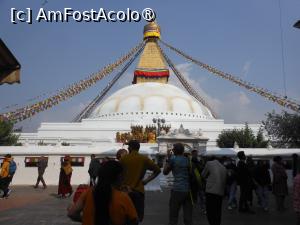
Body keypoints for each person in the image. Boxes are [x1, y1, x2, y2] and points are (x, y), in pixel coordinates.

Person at [68, 160, 138, 225]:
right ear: (119, 177)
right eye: (123, 176)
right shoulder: (123, 197)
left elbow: (72, 213)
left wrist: (85, 219)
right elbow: (134, 221)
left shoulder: (88, 192)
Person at [120, 140, 161, 222]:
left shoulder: (123, 159)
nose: (128, 148)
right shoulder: (144, 159)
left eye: (128, 147)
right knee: (136, 217)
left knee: (125, 216)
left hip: (125, 191)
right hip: (138, 191)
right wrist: (146, 181)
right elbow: (158, 170)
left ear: (130, 148)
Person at [163, 143, 193, 225]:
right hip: (187, 190)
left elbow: (165, 172)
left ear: (174, 151)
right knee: (188, 216)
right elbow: (191, 173)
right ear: (183, 151)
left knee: (173, 215)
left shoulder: (173, 159)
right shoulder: (188, 160)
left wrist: (168, 159)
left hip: (177, 190)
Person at [202, 156, 227, 225]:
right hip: (220, 192)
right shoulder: (223, 167)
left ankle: (212, 223)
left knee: (210, 210)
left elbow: (203, 175)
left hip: (211, 191)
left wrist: (207, 179)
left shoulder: (209, 163)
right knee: (217, 211)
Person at [190, 149, 206, 214]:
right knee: (200, 195)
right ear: (193, 154)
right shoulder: (195, 162)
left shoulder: (193, 162)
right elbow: (199, 170)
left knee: (198, 195)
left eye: (196, 153)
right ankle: (202, 208)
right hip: (197, 180)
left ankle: (198, 208)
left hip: (195, 181)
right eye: (195, 153)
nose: (196, 155)